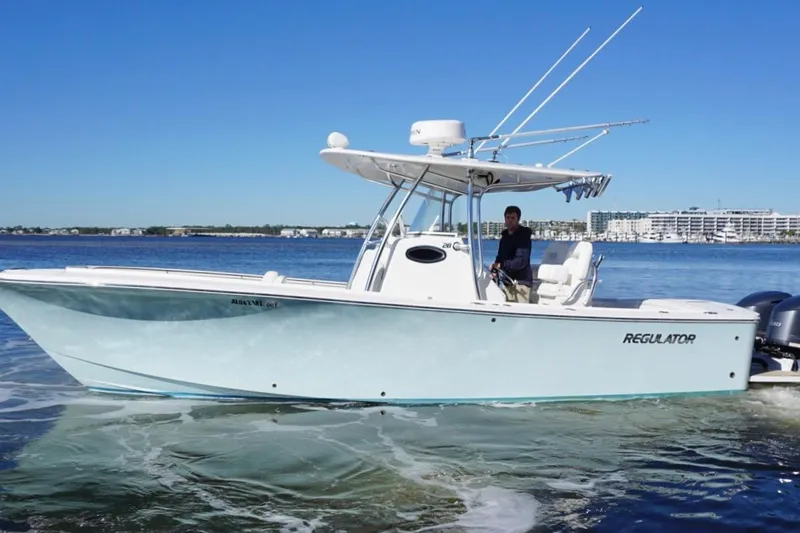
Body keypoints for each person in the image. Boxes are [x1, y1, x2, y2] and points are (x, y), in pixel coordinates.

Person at [491, 205, 533, 303]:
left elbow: (521, 261)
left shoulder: (523, 237)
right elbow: (500, 256)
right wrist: (495, 270)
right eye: (508, 217)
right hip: (507, 282)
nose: (510, 220)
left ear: (518, 219)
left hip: (521, 283)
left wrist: (502, 265)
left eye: (513, 218)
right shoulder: (505, 237)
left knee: (521, 311)